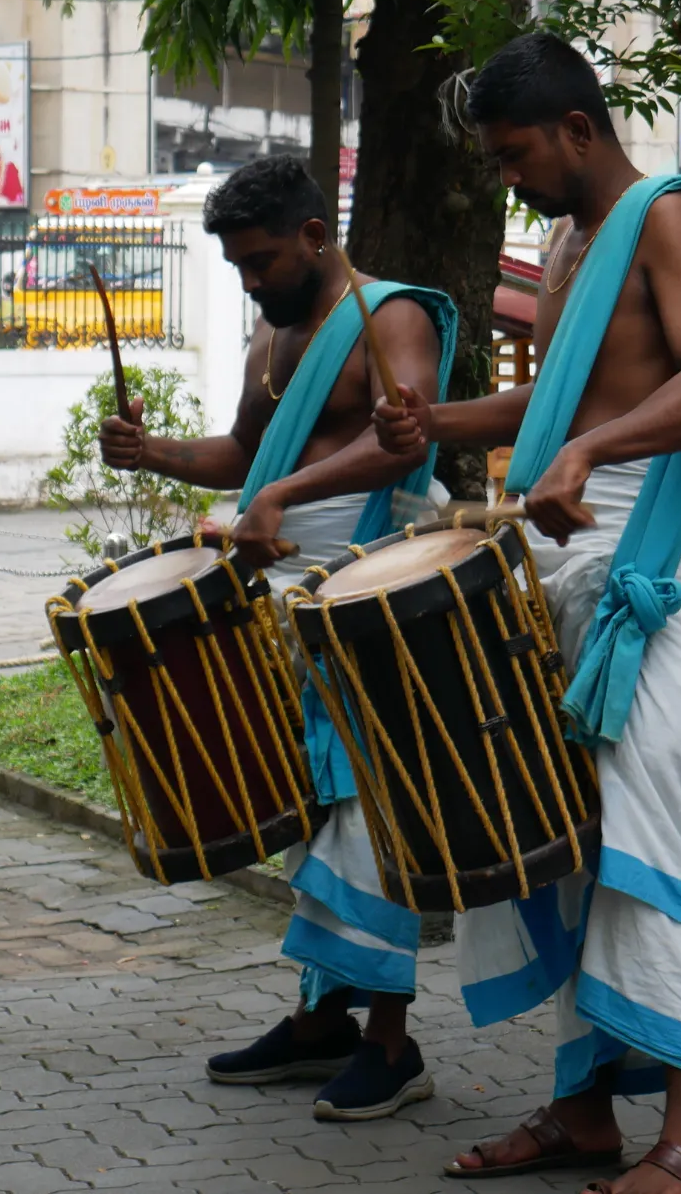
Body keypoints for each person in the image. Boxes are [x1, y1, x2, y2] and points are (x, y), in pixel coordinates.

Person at [373, 32, 681, 1194]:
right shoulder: (567, 242)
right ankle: (585, 1109)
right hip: (561, 544)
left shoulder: (670, 217)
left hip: (648, 556)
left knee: (646, 829)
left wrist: (586, 451)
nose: (507, 177)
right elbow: (562, 398)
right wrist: (436, 425)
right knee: (571, 835)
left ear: (577, 129)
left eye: (514, 155)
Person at [97, 154, 456, 1122]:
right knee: (310, 810)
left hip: (370, 590)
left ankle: (391, 1042)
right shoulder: (273, 327)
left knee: (369, 814)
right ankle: (320, 1018)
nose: (251, 281)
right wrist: (153, 452)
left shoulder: (392, 316)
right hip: (281, 597)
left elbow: (405, 438)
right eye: (238, 267)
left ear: (313, 235)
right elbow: (248, 456)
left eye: (261, 261)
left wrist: (280, 494)